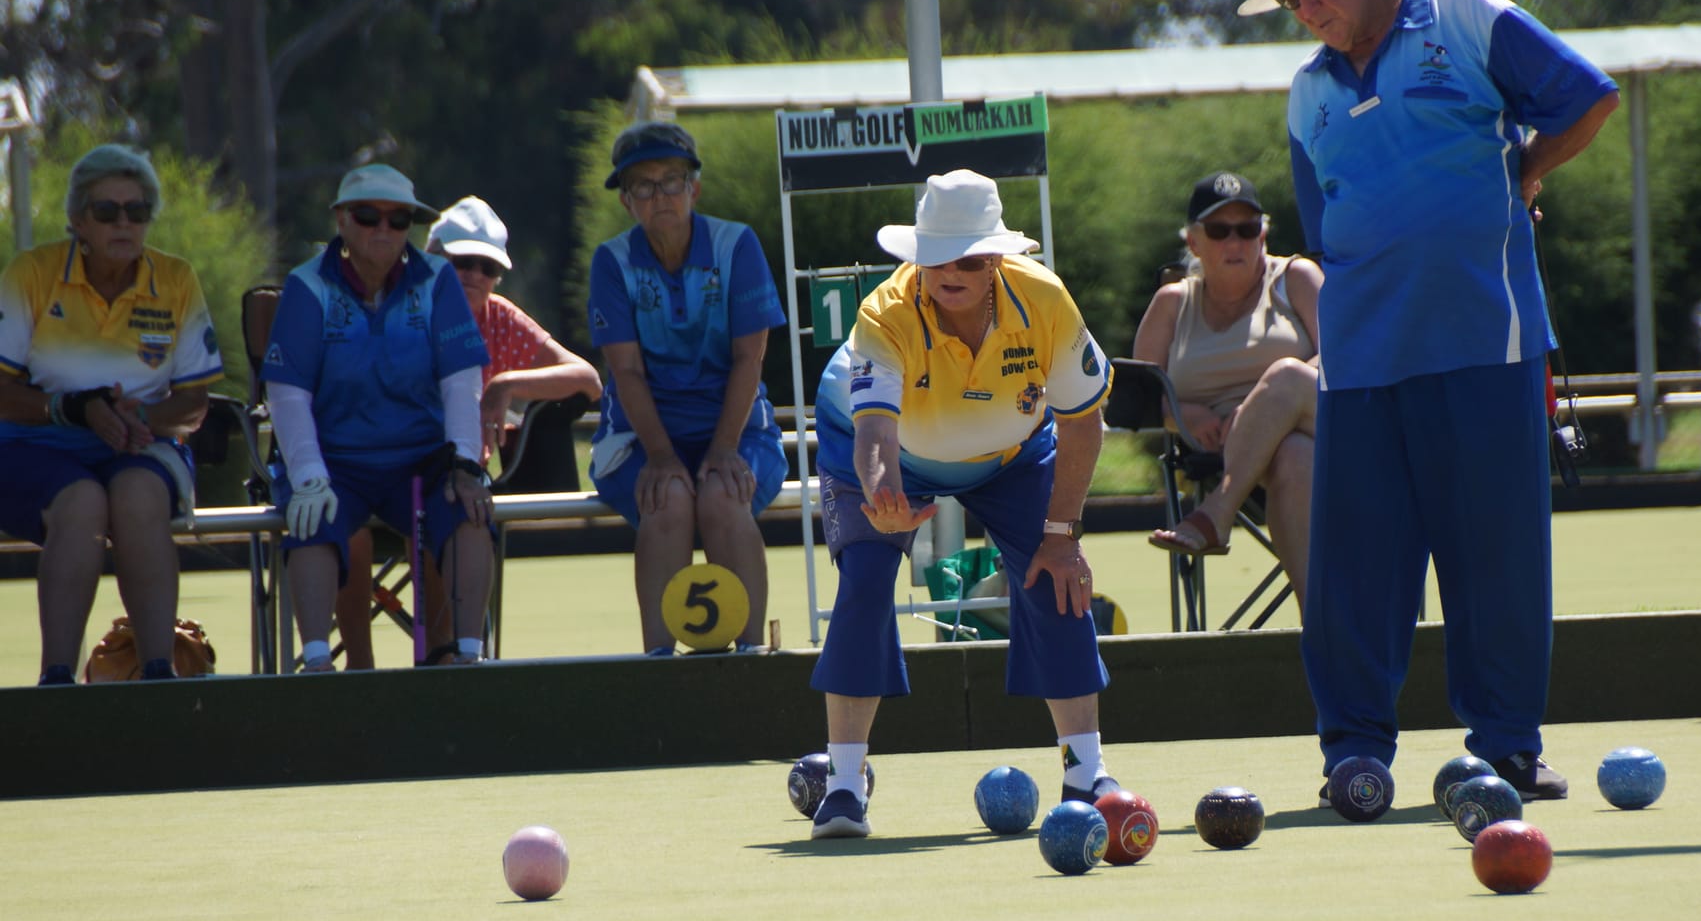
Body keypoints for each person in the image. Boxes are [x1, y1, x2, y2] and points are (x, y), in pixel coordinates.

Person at [1240, 0, 1619, 803]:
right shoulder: (1305, 95)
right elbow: (1329, 229)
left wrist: (1526, 170)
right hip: (1363, 363)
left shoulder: (1466, 12)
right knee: (1354, 569)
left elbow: (1585, 96)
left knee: (1499, 559)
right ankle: (1354, 755)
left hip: (1489, 343)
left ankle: (1509, 747)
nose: (1308, 8)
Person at [807, 169, 1116, 839]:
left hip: (1009, 456)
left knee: (1056, 577)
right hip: (887, 453)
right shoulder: (883, 315)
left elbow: (1085, 420)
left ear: (998, 260)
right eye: (937, 254)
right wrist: (885, 494)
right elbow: (874, 434)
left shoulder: (1047, 302)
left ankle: (1085, 769)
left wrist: (1062, 534)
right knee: (864, 580)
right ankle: (843, 786)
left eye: (970, 256)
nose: (951, 269)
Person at [330, 194, 602, 668]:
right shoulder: (393, 304)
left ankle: (447, 663)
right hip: (371, 471)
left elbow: (587, 379)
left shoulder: (499, 317)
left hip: (452, 482)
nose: (474, 275)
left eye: (486, 266)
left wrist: (506, 383)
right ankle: (358, 672)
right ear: (432, 259)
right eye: (461, 262)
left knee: (451, 512)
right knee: (351, 531)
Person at [0, 145, 224, 685]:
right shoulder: (32, 272)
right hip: (35, 445)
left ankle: (157, 675)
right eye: (107, 211)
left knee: (136, 497)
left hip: (139, 446)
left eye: (137, 210)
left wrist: (140, 418)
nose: (124, 222)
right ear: (78, 220)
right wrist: (73, 409)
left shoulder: (176, 279)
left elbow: (194, 402)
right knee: (81, 503)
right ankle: (56, 681)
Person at [262, 164, 495, 673]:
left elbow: (461, 380)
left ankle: (468, 660)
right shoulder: (307, 285)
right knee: (312, 516)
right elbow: (287, 392)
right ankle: (320, 666)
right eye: (369, 217)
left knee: (471, 508)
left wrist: (463, 462)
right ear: (342, 220)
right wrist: (307, 474)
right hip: (335, 460)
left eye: (399, 219)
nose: (385, 230)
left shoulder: (437, 280)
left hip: (421, 458)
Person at [587, 121, 787, 655]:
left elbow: (751, 356)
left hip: (740, 430)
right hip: (638, 440)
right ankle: (660, 668)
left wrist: (723, 448)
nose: (660, 197)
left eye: (671, 181)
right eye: (644, 187)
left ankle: (749, 663)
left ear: (693, 188)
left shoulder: (736, 244)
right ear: (628, 202)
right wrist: (659, 454)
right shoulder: (612, 261)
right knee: (669, 500)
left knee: (723, 496)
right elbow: (625, 372)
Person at [1131, 171, 1321, 601]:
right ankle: (1323, 637)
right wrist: (1179, 413)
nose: (1235, 242)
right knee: (1292, 457)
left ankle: (1217, 512)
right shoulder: (1173, 303)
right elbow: (1138, 394)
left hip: (1328, 424)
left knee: (1286, 376)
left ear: (1264, 236)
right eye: (1219, 231)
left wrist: (1262, 405)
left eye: (1247, 229)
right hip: (1256, 451)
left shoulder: (1297, 279)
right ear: (1194, 242)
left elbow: (1342, 358)